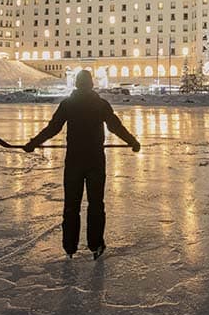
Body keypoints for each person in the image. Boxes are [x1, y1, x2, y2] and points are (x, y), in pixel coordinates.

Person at [24, 69, 141, 259]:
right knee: (96, 204)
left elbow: (53, 128)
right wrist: (132, 141)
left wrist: (33, 143)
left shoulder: (68, 104)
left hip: (74, 161)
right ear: (91, 84)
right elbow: (115, 126)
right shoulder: (100, 104)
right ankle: (95, 245)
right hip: (95, 160)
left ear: (77, 84)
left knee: (71, 205)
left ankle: (70, 247)